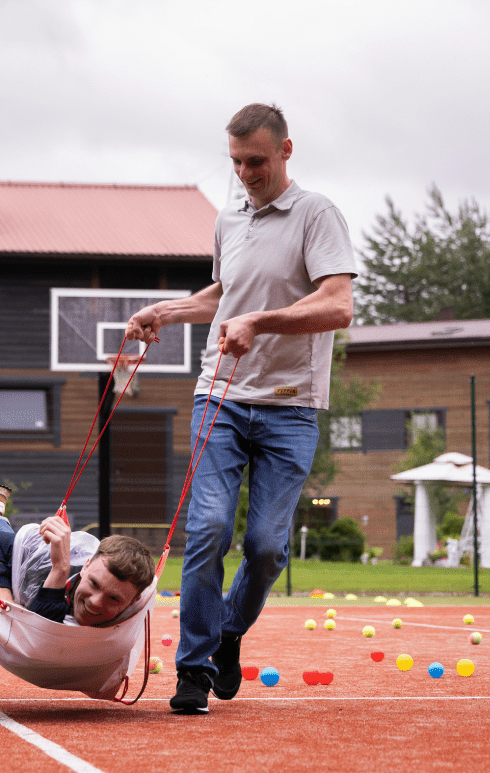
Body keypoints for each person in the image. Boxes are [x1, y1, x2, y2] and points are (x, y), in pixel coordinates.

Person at [125, 103, 355, 715]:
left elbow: (338, 305)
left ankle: (228, 632)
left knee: (265, 548)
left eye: (255, 161)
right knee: (206, 530)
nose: (245, 173)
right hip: (219, 398)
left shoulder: (317, 214)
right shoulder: (230, 218)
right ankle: (193, 669)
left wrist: (259, 322)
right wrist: (166, 312)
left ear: (284, 151)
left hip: (290, 407)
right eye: (235, 162)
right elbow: (226, 293)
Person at [0, 464, 156, 627]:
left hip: (22, 569)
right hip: (12, 560)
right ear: (86, 566)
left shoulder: (135, 608)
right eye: (94, 583)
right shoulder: (50, 564)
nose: (96, 602)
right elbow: (38, 630)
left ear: (134, 601)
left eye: (114, 599)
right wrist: (4, 595)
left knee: (10, 554)